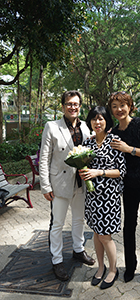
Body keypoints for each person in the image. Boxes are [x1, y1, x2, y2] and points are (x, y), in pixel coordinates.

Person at [39, 90, 95, 281]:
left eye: (76, 104)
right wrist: (45, 186)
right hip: (59, 184)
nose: (73, 107)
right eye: (69, 104)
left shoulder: (87, 128)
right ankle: (57, 260)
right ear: (63, 106)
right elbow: (44, 158)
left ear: (80, 106)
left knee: (79, 219)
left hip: (80, 183)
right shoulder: (52, 127)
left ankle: (78, 250)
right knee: (57, 224)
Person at [108, 91, 140, 291]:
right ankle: (130, 267)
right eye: (114, 106)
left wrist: (129, 149)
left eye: (122, 105)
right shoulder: (113, 132)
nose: (119, 109)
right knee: (129, 225)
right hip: (128, 185)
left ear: (130, 106)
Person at [79, 106, 126, 290]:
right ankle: (101, 267)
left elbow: (121, 171)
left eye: (101, 119)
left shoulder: (115, 141)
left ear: (107, 121)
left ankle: (113, 270)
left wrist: (99, 172)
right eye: (93, 119)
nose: (97, 122)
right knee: (97, 235)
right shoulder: (88, 143)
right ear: (90, 122)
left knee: (105, 236)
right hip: (92, 197)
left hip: (109, 197)